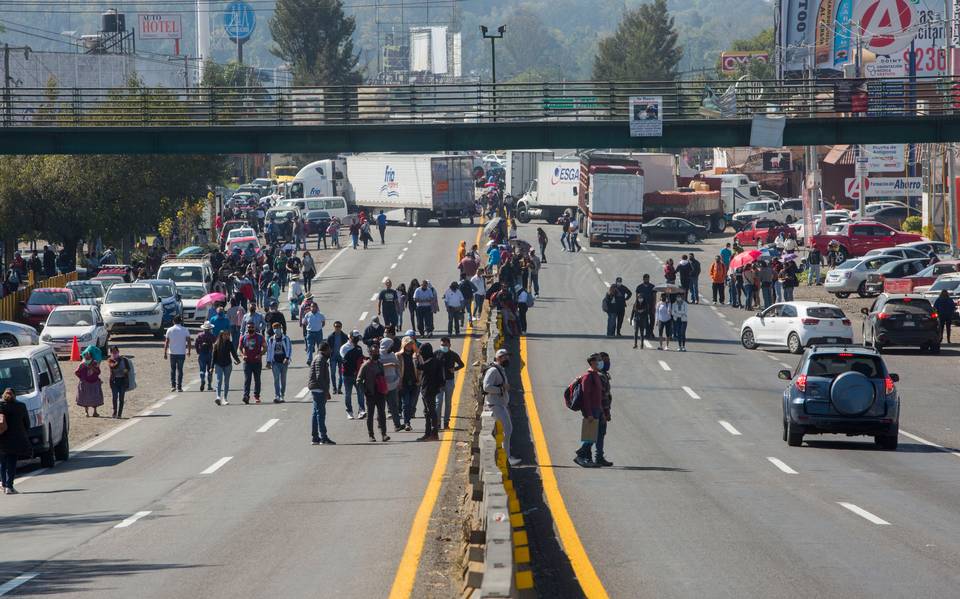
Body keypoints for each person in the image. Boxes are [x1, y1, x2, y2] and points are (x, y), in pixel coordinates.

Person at [482, 349, 521, 466]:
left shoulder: (500, 369)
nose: (507, 359)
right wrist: (501, 389)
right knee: (508, 429)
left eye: (508, 357)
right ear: (499, 358)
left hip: (500, 404)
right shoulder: (493, 370)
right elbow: (486, 387)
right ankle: (507, 458)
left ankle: (507, 456)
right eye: (505, 357)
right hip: (496, 405)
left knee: (508, 430)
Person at [573, 354, 604, 468]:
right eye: (598, 360)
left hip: (597, 409)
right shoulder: (588, 377)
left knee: (593, 436)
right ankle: (580, 455)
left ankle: (586, 458)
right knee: (590, 436)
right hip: (591, 410)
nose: (600, 362)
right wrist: (589, 413)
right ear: (592, 363)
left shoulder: (596, 375)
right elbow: (586, 397)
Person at [357, 343, 389, 442]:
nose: (376, 353)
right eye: (374, 352)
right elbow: (358, 380)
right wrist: (365, 391)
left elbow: (383, 377)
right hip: (370, 394)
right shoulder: (365, 365)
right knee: (370, 415)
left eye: (377, 352)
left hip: (380, 393)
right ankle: (371, 435)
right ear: (370, 353)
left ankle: (384, 434)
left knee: (382, 414)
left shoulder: (379, 364)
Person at [0, 388, 30, 494]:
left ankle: (3, 484)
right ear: (15, 396)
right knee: (12, 463)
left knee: (2, 463)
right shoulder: (21, 406)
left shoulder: (1, 406)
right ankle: (9, 486)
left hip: (1, 438)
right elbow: (27, 424)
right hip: (15, 439)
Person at [308, 342, 336, 445]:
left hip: (317, 388)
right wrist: (326, 391)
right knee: (321, 414)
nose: (330, 352)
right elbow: (320, 377)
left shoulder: (319, 358)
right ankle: (323, 437)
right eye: (329, 350)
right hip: (319, 389)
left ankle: (315, 437)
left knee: (316, 413)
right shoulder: (320, 359)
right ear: (325, 350)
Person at [416, 343, 445, 441]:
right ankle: (427, 433)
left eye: (422, 352)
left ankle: (434, 433)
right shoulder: (435, 360)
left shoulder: (430, 361)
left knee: (431, 412)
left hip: (428, 389)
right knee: (427, 412)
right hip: (430, 389)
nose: (421, 353)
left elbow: (419, 367)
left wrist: (417, 358)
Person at [437, 337, 465, 429]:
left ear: (449, 345)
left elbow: (462, 364)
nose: (443, 346)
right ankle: (437, 423)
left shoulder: (453, 355)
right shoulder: (436, 354)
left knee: (448, 403)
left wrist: (455, 369)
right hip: (439, 382)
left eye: (445, 345)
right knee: (438, 402)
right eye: (442, 345)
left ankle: (446, 422)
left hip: (449, 381)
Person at [379, 338, 404, 432]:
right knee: (381, 407)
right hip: (381, 385)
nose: (392, 347)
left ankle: (397, 425)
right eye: (390, 345)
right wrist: (389, 365)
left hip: (393, 384)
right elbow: (376, 366)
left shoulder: (393, 355)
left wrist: (399, 379)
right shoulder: (378, 355)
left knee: (394, 406)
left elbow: (398, 368)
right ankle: (380, 424)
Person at [341, 330, 367, 419]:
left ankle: (361, 410)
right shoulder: (344, 348)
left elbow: (360, 359)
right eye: (355, 338)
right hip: (347, 375)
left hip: (358, 375)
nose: (357, 340)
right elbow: (346, 361)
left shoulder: (359, 348)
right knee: (348, 394)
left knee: (360, 393)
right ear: (350, 337)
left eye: (357, 338)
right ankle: (349, 411)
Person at [238, 322, 266, 404]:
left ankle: (257, 396)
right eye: (248, 327)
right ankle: (246, 396)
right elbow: (239, 348)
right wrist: (242, 355)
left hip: (257, 362)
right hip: (247, 362)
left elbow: (265, 347)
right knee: (247, 380)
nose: (250, 329)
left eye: (251, 327)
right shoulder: (243, 337)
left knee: (257, 380)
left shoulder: (260, 337)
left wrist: (260, 354)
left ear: (254, 328)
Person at [594, 352, 614, 467]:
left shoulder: (602, 375)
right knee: (596, 434)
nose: (608, 363)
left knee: (597, 434)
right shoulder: (600, 376)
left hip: (598, 410)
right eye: (606, 361)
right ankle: (592, 455)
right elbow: (603, 396)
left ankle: (597, 456)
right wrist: (606, 412)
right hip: (598, 410)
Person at [266, 321, 293, 403]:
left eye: (278, 328)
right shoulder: (271, 340)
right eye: (274, 328)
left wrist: (287, 358)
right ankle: (277, 395)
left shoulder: (286, 338)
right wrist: (268, 361)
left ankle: (282, 395)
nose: (276, 330)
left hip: (284, 362)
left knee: (283, 379)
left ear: (280, 329)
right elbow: (269, 351)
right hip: (275, 362)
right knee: (276, 379)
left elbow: (289, 349)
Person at [212, 330, 240, 405]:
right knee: (219, 380)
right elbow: (213, 357)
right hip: (218, 364)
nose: (227, 336)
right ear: (221, 335)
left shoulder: (230, 344)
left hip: (228, 364)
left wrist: (237, 360)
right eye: (225, 335)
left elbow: (233, 353)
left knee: (226, 382)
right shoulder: (216, 344)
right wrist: (211, 367)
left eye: (228, 335)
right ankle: (218, 397)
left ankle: (225, 398)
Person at [163, 316, 191, 393]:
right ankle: (179, 387)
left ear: (173, 321)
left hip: (172, 353)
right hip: (181, 352)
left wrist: (165, 352)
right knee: (180, 370)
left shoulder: (170, 330)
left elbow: (167, 342)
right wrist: (189, 351)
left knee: (173, 370)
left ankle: (173, 386)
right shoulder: (185, 330)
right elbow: (188, 341)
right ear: (181, 321)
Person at [398, 336, 419, 431]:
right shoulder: (398, 356)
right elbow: (396, 370)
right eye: (408, 344)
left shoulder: (416, 355)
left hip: (415, 383)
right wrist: (398, 382)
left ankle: (407, 420)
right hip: (404, 383)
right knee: (405, 403)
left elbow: (421, 367)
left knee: (411, 404)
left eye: (411, 344)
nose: (410, 346)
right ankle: (407, 423)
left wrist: (420, 380)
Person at [75, 349, 104, 417]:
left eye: (88, 354)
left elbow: (98, 372)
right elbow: (77, 372)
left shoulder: (95, 363)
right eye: (85, 354)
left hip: (94, 382)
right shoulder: (82, 364)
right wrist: (81, 378)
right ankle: (86, 412)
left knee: (95, 397)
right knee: (85, 397)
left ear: (91, 355)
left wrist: (92, 368)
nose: (87, 355)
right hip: (85, 383)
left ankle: (95, 412)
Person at [106, 347, 131, 418]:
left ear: (118, 351)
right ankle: (114, 412)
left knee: (121, 398)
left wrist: (126, 371)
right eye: (113, 352)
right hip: (114, 381)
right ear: (111, 353)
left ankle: (119, 414)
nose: (114, 353)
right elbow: (113, 367)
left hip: (123, 381)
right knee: (114, 397)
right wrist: (119, 360)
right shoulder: (110, 360)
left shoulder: (125, 360)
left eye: (116, 351)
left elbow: (128, 368)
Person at [326, 321, 348, 395]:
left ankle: (339, 388)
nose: (337, 328)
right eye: (336, 326)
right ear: (334, 327)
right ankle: (334, 388)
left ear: (341, 327)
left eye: (339, 326)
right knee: (332, 373)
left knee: (341, 374)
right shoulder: (330, 337)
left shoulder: (344, 336)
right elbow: (327, 348)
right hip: (333, 357)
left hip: (341, 357)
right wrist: (327, 357)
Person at [195, 322, 216, 392]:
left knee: (202, 369)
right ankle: (209, 385)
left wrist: (198, 351)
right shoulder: (212, 335)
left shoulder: (199, 335)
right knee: (210, 370)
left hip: (202, 353)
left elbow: (196, 344)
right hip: (210, 353)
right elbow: (215, 343)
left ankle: (202, 379)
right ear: (210, 329)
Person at [635, 274, 656, 340]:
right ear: (643, 279)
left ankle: (651, 332)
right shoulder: (639, 287)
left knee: (652, 320)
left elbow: (654, 296)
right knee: (645, 320)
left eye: (648, 278)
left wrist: (654, 306)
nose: (646, 279)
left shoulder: (652, 286)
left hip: (651, 305)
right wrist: (637, 306)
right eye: (645, 278)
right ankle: (647, 333)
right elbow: (637, 297)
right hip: (643, 306)